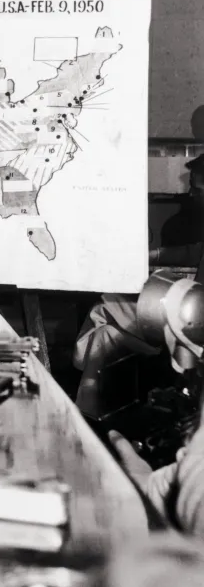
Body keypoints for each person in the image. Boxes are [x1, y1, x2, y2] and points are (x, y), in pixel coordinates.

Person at [73, 154, 204, 416]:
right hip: (191, 319)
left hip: (194, 328)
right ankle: (88, 412)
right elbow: (193, 251)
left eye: (196, 187)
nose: (191, 194)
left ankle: (84, 409)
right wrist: (151, 255)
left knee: (106, 304)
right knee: (105, 334)